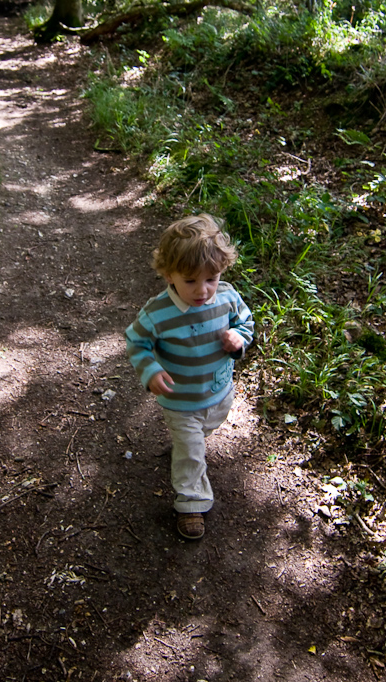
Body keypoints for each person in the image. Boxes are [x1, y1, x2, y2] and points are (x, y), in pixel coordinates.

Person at [125, 214, 254, 540]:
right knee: (191, 451)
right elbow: (136, 342)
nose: (203, 290)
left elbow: (245, 322)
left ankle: (190, 444)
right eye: (191, 281)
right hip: (181, 401)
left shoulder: (226, 297)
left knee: (205, 430)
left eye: (211, 278)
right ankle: (191, 503)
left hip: (219, 391)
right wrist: (151, 369)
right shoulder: (158, 314)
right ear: (169, 275)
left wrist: (239, 338)